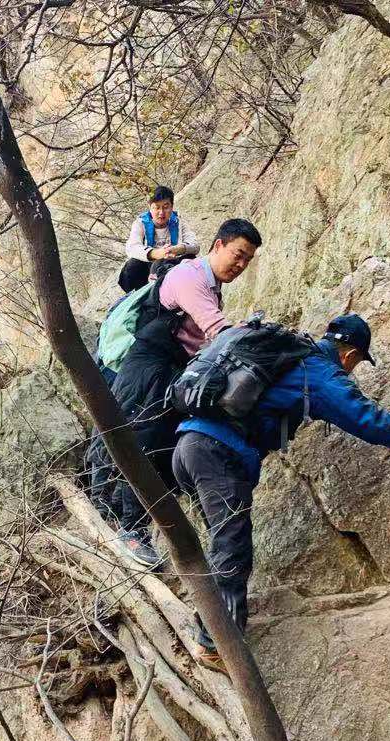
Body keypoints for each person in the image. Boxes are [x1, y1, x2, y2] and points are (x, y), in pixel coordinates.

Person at [172, 313, 390, 668]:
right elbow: (367, 419)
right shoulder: (319, 371)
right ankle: (216, 645)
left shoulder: (289, 356)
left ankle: (206, 626)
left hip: (186, 446)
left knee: (220, 545)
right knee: (232, 547)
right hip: (219, 453)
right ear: (350, 356)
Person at [110, 218, 262, 566]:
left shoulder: (212, 286)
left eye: (247, 261)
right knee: (145, 443)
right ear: (218, 245)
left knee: (167, 449)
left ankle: (139, 531)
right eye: (238, 255)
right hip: (151, 368)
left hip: (173, 370)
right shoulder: (189, 277)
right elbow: (218, 331)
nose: (240, 265)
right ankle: (128, 530)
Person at [119, 185, 199, 293]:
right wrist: (155, 254)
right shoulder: (141, 223)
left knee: (191, 258)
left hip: (173, 262)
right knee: (131, 266)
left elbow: (195, 245)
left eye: (166, 207)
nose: (161, 213)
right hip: (149, 265)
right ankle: (140, 297)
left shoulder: (178, 222)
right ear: (150, 207)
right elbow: (132, 247)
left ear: (172, 206)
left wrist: (178, 249)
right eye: (157, 207)